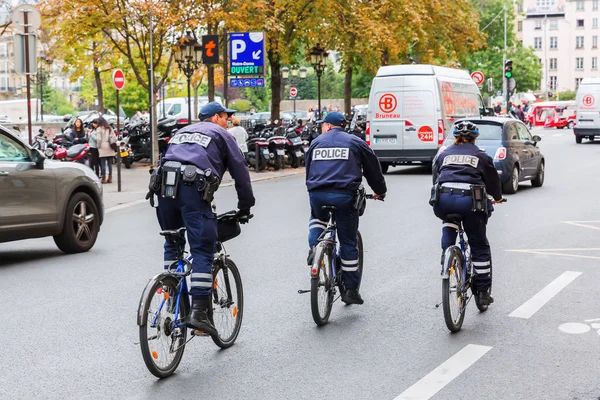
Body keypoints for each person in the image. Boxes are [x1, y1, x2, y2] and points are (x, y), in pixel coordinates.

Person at [155, 102, 255, 336]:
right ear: (216, 118)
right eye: (225, 117)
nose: (228, 121)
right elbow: (240, 172)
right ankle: (199, 312)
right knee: (202, 248)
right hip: (192, 188)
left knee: (173, 241)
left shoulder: (181, 132)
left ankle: (172, 301)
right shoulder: (221, 134)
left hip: (164, 187)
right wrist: (245, 206)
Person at [305, 112, 387, 305]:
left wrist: (314, 188)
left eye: (322, 125)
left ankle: (315, 247)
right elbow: (372, 169)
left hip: (318, 193)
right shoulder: (355, 142)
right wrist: (380, 191)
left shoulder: (315, 143)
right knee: (348, 242)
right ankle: (350, 290)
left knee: (317, 218)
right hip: (345, 196)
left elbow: (309, 170)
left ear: (327, 125)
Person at [431, 120, 504, 307]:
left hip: (444, 200)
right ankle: (482, 292)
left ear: (456, 137)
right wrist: (497, 197)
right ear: (475, 138)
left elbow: (436, 176)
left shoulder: (444, 154)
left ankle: (447, 257)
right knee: (479, 245)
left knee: (448, 219)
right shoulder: (481, 156)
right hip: (470, 202)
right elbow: (492, 180)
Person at [94, 117, 117, 184]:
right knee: (110, 164)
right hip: (110, 147)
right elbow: (114, 137)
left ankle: (104, 178)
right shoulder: (110, 128)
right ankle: (110, 178)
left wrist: (98, 147)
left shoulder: (99, 129)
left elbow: (98, 139)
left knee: (103, 164)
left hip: (102, 147)